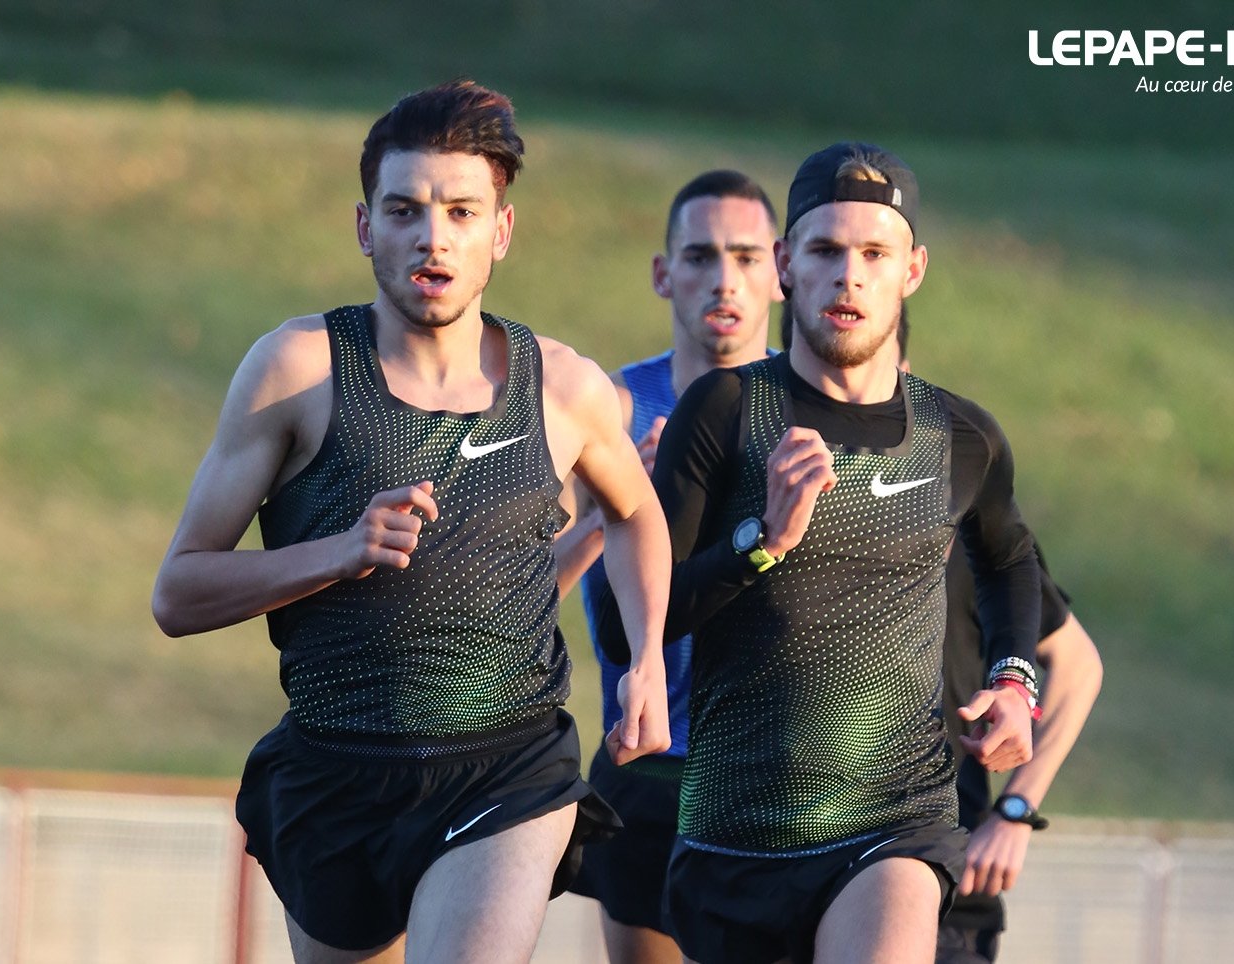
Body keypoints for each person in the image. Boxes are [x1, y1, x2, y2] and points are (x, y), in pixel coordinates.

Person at [150, 80, 673, 964]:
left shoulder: (565, 388)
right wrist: (340, 552)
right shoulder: (300, 370)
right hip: (335, 775)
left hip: (506, 765)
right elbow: (179, 591)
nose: (434, 237)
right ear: (366, 228)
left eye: (463, 212)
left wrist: (648, 658)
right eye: (406, 210)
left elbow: (637, 515)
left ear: (499, 232)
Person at [595, 141, 1043, 964]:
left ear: (912, 270)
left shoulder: (959, 435)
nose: (850, 275)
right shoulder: (725, 411)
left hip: (896, 820)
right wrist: (758, 540)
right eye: (827, 250)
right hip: (737, 835)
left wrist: (1014, 682)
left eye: (875, 253)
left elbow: (1011, 561)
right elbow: (633, 630)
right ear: (786, 266)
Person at [558, 170, 783, 964]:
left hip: (775, 770)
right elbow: (520, 589)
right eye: (701, 256)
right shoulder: (611, 410)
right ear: (664, 273)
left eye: (749, 257)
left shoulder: (809, 415)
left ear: (781, 270)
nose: (725, 279)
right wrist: (609, 513)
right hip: (649, 766)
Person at [891, 316, 1105, 962]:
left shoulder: (962, 502)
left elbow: (1077, 664)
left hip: (946, 873)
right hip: (785, 854)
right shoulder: (770, 493)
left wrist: (1015, 811)